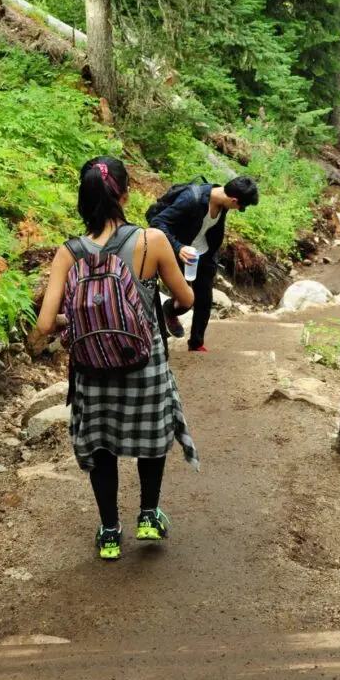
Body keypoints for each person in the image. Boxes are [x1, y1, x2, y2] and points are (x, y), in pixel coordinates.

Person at [31, 157, 198, 561]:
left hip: (91, 368)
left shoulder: (68, 253)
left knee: (102, 445)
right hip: (144, 362)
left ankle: (109, 532)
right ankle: (147, 516)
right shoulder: (151, 241)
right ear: (124, 194)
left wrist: (85, 315)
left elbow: (44, 322)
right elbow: (187, 299)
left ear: (82, 200)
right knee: (151, 435)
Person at [151, 176, 259, 352]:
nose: (240, 210)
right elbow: (158, 223)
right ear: (234, 200)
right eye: (241, 208)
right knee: (186, 300)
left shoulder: (223, 203)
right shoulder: (190, 199)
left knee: (205, 301)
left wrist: (212, 258)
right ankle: (169, 310)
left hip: (204, 255)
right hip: (180, 253)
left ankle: (196, 344)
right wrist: (178, 247)